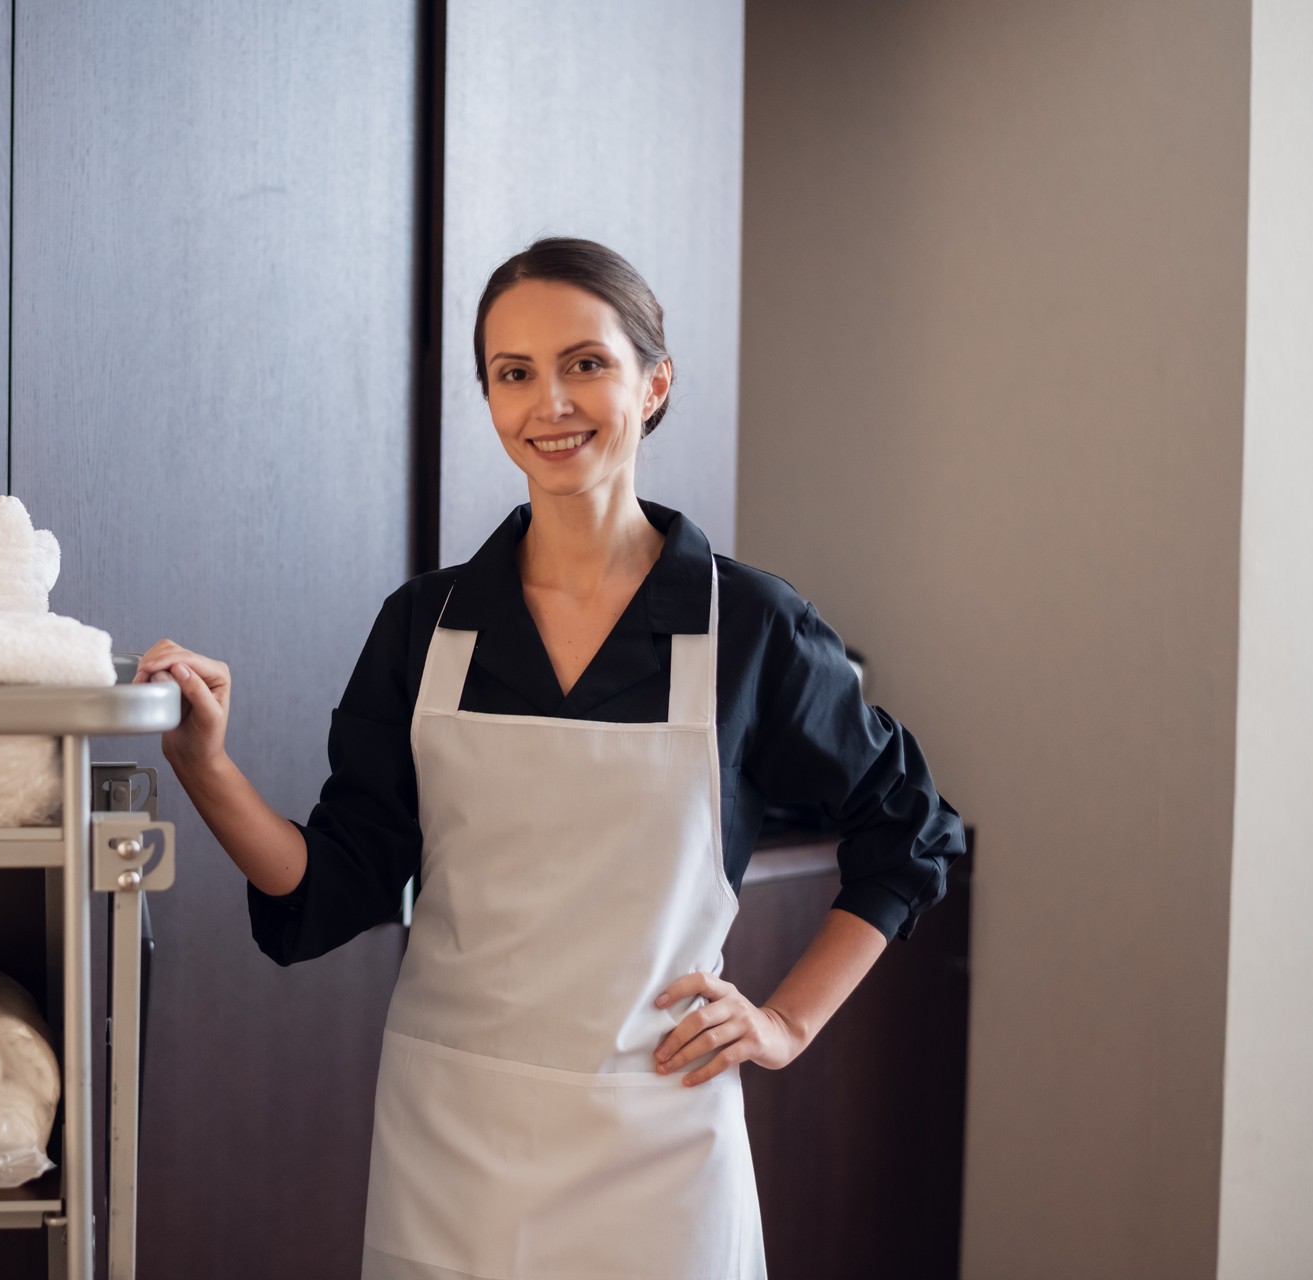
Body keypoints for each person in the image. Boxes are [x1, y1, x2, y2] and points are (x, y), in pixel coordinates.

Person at [135, 237, 965, 1279]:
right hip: (454, 1138)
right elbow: (334, 880)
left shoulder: (745, 624)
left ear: (653, 382)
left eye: (586, 363)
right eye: (513, 373)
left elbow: (912, 828)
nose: (550, 402)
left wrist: (786, 1021)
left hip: (659, 1138)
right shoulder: (426, 626)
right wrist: (207, 765)